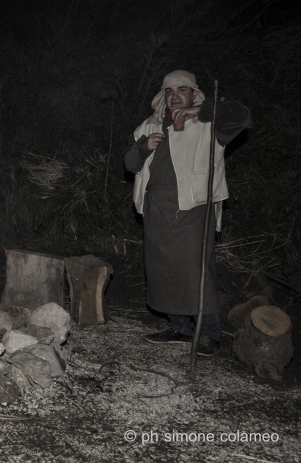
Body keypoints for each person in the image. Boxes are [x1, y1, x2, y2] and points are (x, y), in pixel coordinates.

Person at [124, 70, 250, 356]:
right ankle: (179, 327)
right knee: (164, 270)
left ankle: (209, 332)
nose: (175, 95)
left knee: (195, 269)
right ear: (163, 96)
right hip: (156, 207)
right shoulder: (150, 124)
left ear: (194, 94)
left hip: (195, 206)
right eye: (170, 91)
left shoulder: (208, 122)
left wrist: (201, 110)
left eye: (183, 89)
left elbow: (241, 116)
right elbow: (130, 164)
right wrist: (144, 147)